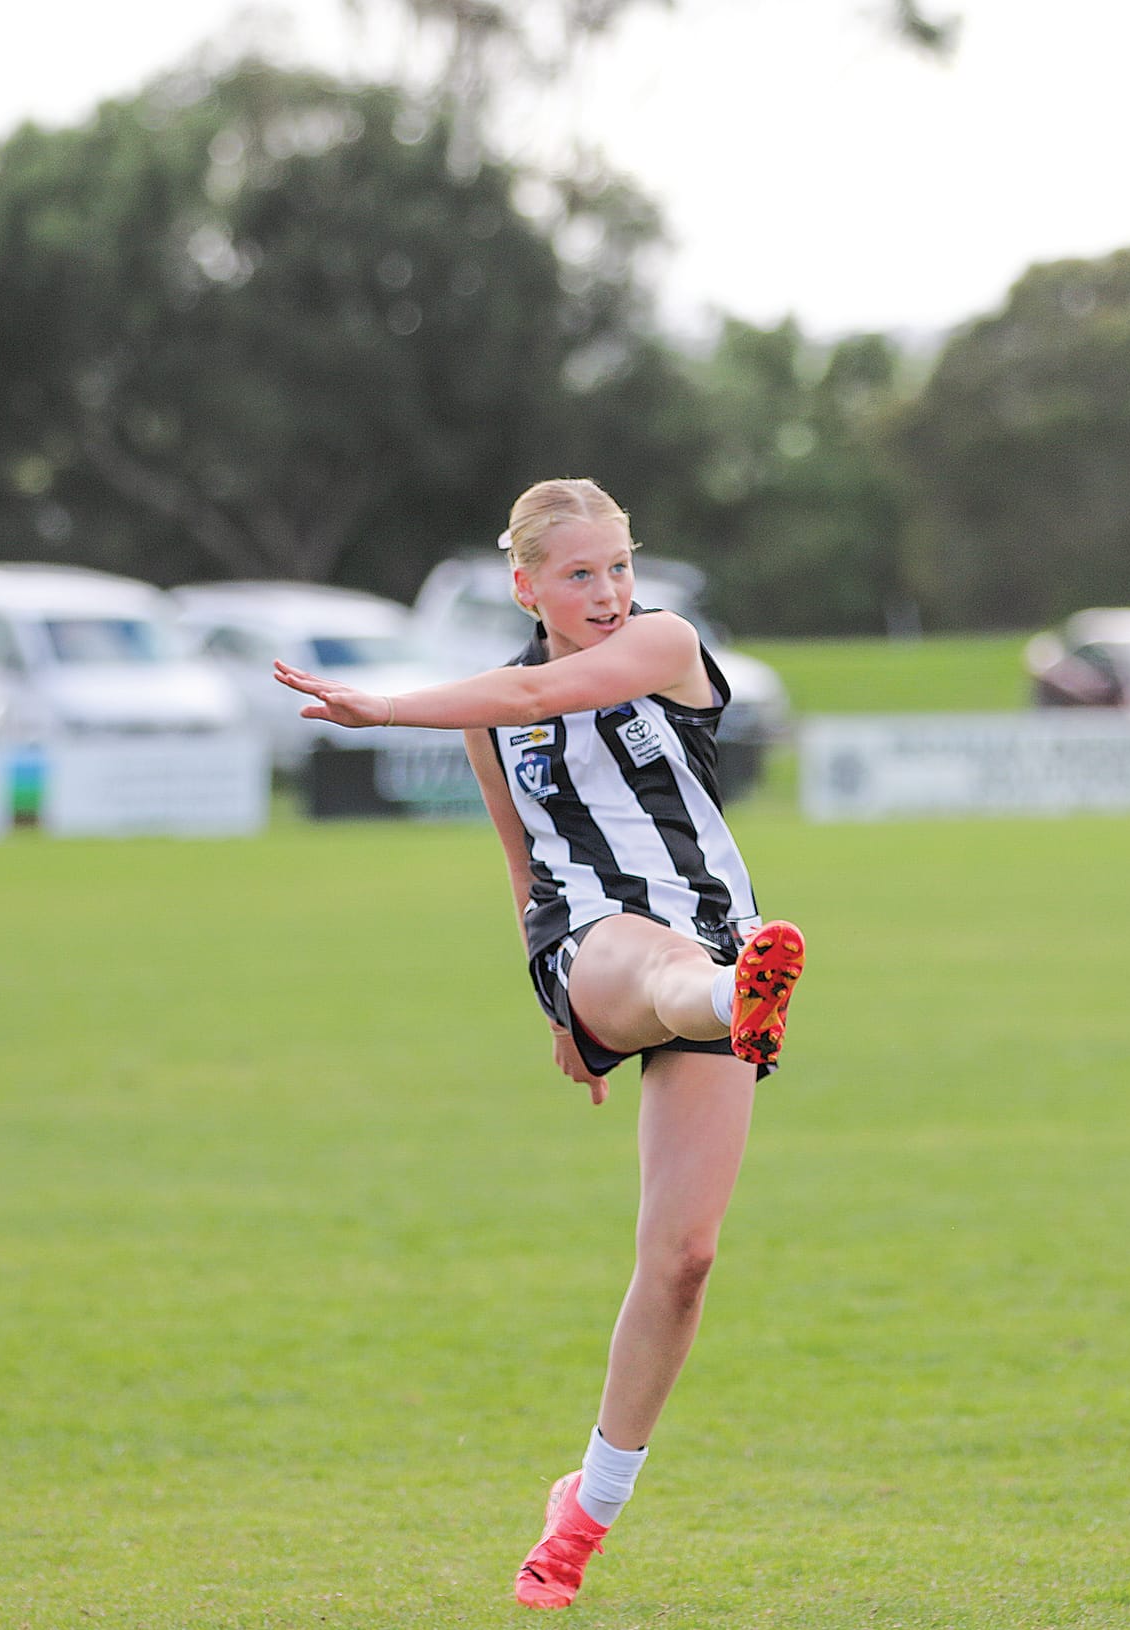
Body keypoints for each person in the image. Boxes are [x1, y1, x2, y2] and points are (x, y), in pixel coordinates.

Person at [274, 477, 804, 1611]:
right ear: (526, 584)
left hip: (716, 934)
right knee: (644, 962)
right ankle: (723, 998)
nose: (609, 590)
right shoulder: (488, 710)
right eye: (580, 573)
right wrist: (554, 1008)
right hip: (589, 941)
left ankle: (585, 1511)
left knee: (683, 1261)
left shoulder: (660, 643)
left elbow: (543, 685)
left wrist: (385, 706)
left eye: (618, 565)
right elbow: (521, 859)